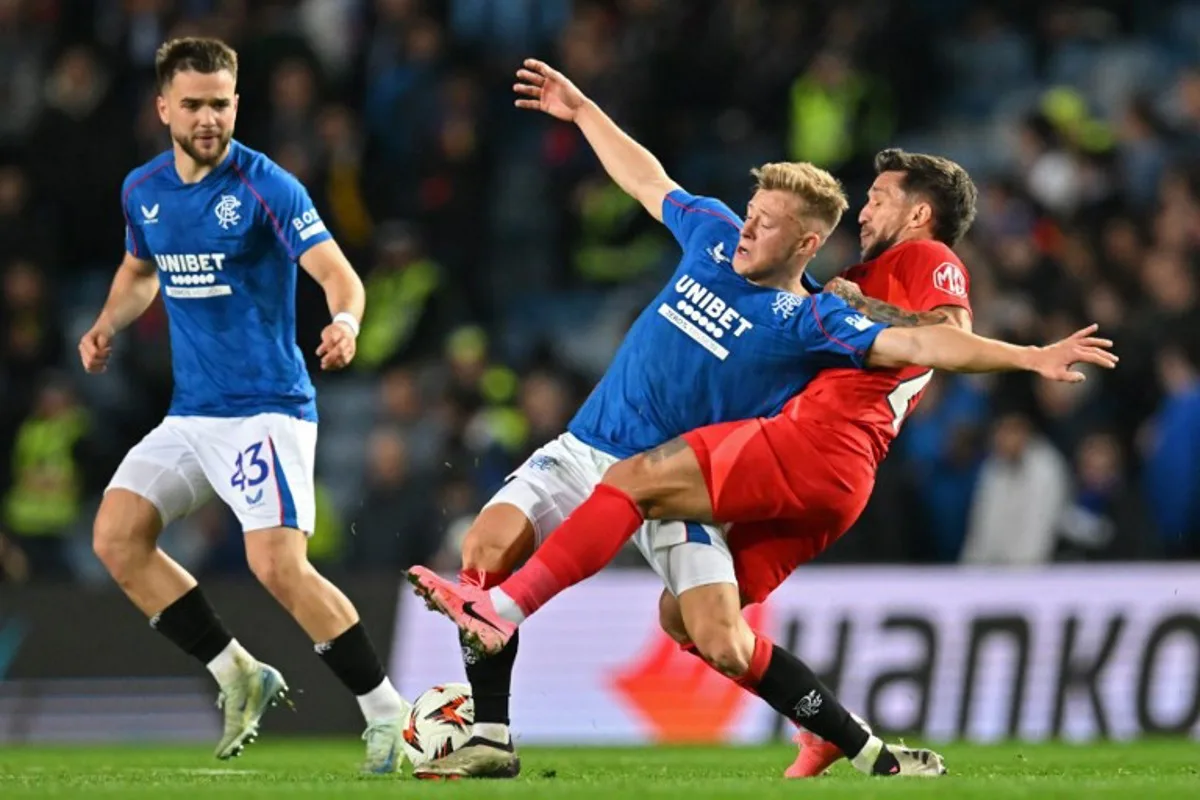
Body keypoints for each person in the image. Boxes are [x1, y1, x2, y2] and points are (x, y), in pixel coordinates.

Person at [403, 59, 1116, 779]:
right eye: (751, 213)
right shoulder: (714, 237)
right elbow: (649, 181)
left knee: (711, 632)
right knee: (498, 556)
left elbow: (927, 339)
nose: (747, 229)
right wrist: (584, 110)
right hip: (590, 446)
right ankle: (493, 734)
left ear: (805, 243)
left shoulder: (813, 318)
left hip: (671, 477)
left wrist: (1027, 357)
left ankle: (511, 613)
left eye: (766, 224)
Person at [77, 38, 408, 773]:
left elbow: (337, 273)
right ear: (163, 107)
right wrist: (107, 323)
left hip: (267, 409)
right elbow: (140, 270)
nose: (208, 117)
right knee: (116, 536)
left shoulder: (267, 187)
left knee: (278, 566)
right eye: (192, 103)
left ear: (236, 103)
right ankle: (237, 673)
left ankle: (388, 714)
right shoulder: (144, 189)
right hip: (193, 414)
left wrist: (346, 321)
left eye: (220, 103)